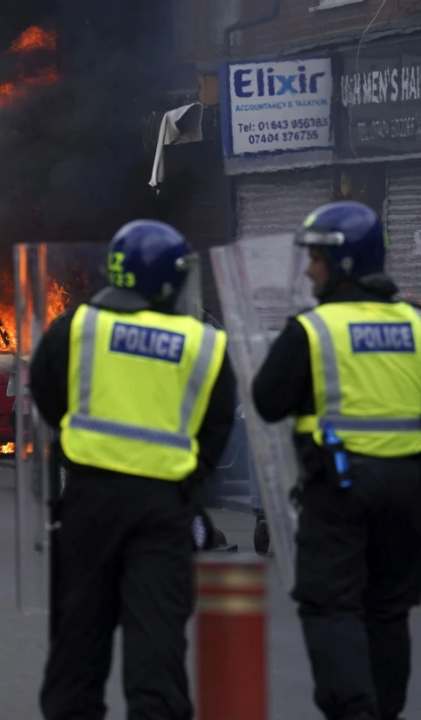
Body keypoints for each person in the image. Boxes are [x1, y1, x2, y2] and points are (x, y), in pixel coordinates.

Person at [29, 220, 237, 720]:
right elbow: (217, 426)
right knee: (158, 650)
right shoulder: (201, 342)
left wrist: (81, 440)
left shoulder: (80, 325)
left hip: (89, 502)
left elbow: (45, 389)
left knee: (78, 646)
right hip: (164, 510)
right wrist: (186, 478)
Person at [252, 201, 421, 720]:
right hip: (409, 492)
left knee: (331, 605)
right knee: (388, 610)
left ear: (344, 263)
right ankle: (385, 711)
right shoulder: (415, 323)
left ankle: (355, 711)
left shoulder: (314, 330)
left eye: (318, 258)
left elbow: (268, 400)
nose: (309, 269)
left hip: (340, 491)